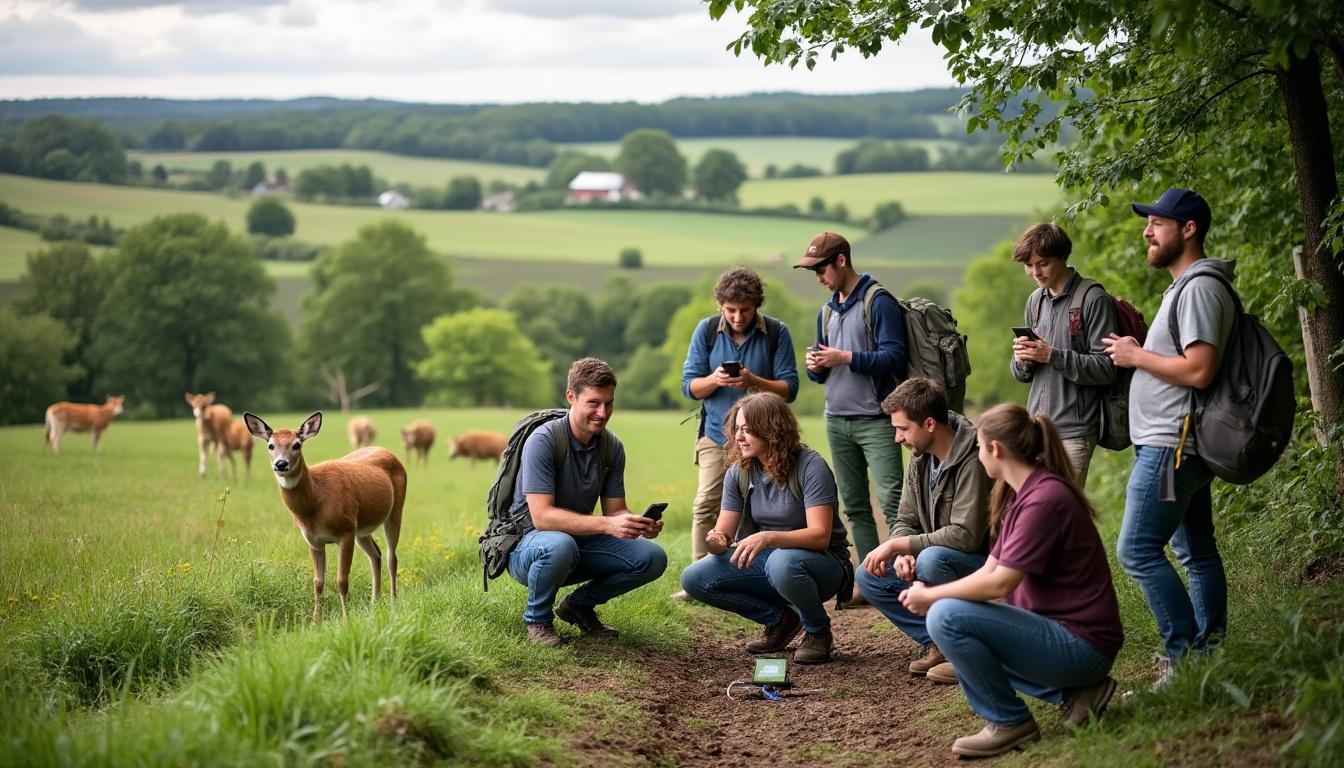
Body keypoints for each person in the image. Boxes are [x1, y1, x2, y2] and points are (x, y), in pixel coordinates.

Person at [901, 404, 1123, 758]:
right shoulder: (1023, 494)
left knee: (945, 618)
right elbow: (989, 570)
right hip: (1063, 637)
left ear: (996, 450)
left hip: (1082, 648)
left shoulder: (1043, 501)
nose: (975, 453)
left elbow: (1000, 584)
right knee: (954, 623)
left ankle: (1008, 722)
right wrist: (941, 598)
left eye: (978, 446)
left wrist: (932, 596)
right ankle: (1076, 695)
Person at [1103, 188, 1234, 684]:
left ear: (1188, 229)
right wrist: (1138, 349)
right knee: (1197, 552)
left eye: (1156, 223)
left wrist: (1137, 358)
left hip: (1171, 446)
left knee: (1135, 550)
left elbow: (1199, 371)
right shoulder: (1187, 288)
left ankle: (1183, 661)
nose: (1147, 232)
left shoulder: (1199, 288)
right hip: (1179, 442)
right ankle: (1207, 659)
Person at [680, 391, 853, 664]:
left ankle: (817, 632)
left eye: (747, 429)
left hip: (823, 565)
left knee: (782, 562)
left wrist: (768, 537)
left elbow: (820, 536)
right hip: (772, 563)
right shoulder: (739, 471)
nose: (738, 437)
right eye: (736, 428)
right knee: (694, 578)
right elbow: (722, 533)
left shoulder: (811, 466)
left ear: (772, 430)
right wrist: (717, 539)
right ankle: (780, 620)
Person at [507, 357, 669, 646]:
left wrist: (636, 525)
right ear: (571, 396)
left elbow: (615, 511)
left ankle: (578, 606)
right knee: (559, 544)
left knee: (652, 557)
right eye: (594, 403)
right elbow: (542, 518)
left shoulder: (611, 447)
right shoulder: (543, 440)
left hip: (577, 543)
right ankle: (538, 621)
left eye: (609, 403)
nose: (602, 412)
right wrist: (608, 524)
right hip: (529, 548)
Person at [676, 266, 799, 601]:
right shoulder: (705, 331)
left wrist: (752, 381)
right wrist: (716, 379)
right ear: (720, 306)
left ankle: (758, 575)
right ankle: (700, 574)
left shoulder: (776, 332)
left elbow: (789, 389)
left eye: (744, 310)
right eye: (730, 310)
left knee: (766, 508)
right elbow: (690, 387)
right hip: (717, 433)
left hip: (767, 437)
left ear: (756, 306)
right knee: (705, 503)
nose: (737, 316)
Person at [856, 378, 991, 681]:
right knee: (867, 573)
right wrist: (902, 550)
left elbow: (966, 536)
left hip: (983, 565)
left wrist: (903, 546)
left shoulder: (974, 459)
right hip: (937, 555)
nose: (896, 438)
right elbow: (905, 518)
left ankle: (969, 648)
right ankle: (940, 641)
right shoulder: (920, 457)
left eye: (902, 429)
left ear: (929, 423)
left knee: (931, 560)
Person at [796, 231, 908, 576]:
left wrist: (844, 357)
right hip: (836, 419)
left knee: (893, 502)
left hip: (877, 418)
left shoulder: (879, 300)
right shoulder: (826, 312)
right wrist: (815, 367)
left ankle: (906, 573)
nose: (818, 277)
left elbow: (895, 356)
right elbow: (822, 375)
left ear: (841, 261)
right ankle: (873, 579)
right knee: (855, 505)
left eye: (821, 269)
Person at [1009, 222, 1118, 486]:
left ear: (1062, 257)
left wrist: (1052, 356)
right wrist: (1022, 360)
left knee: (1059, 512)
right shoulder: (1035, 301)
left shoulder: (1093, 299)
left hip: (1075, 433)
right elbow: (1021, 375)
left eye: (1042, 263)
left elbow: (1107, 368)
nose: (1035, 272)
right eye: (1029, 265)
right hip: (1036, 432)